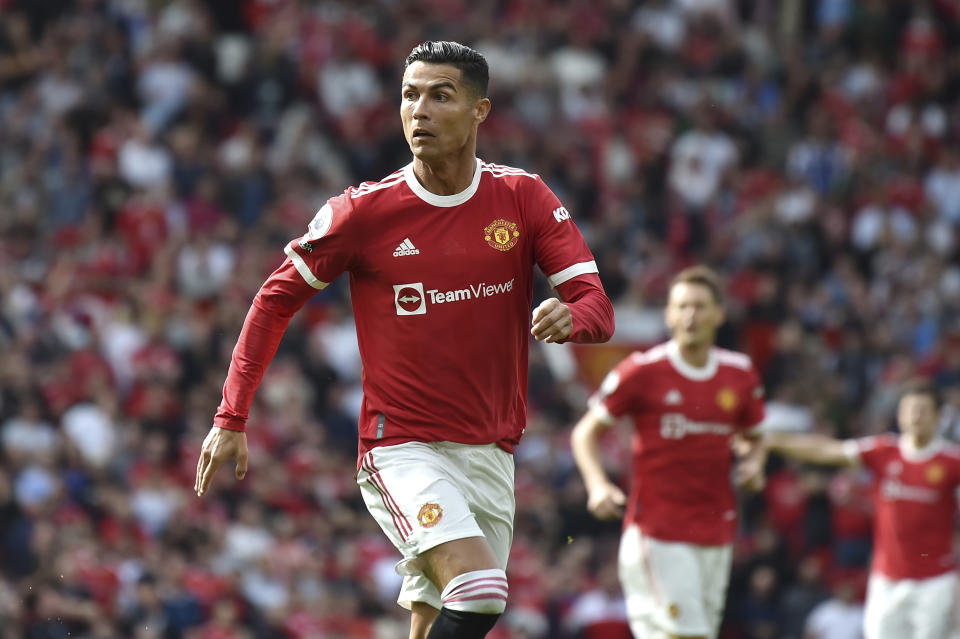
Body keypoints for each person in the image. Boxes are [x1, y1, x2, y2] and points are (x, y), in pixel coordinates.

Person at [193, 40, 615, 639]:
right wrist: (231, 416)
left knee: (441, 618)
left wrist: (574, 317)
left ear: (479, 112)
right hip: (403, 448)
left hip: (492, 452)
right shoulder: (364, 212)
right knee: (480, 590)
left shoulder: (522, 198)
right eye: (409, 95)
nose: (419, 110)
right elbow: (272, 299)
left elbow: (598, 305)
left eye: (441, 96)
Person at [570, 265, 766, 639]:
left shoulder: (739, 374)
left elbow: (754, 437)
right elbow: (585, 433)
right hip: (657, 531)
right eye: (682, 306)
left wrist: (754, 464)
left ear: (719, 313)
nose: (691, 315)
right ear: (669, 314)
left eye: (700, 306)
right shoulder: (643, 371)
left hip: (717, 529)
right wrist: (597, 486)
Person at [754, 380, 960, 639]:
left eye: (923, 409)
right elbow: (829, 450)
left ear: (939, 417)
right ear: (899, 414)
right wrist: (773, 441)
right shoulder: (884, 451)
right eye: (909, 409)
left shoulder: (951, 462)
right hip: (887, 580)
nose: (915, 416)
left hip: (935, 582)